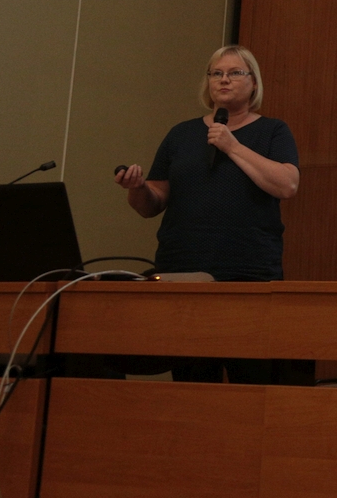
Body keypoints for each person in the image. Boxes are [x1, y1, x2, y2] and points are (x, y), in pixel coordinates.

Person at [115, 45, 299, 382]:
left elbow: (287, 185)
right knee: (193, 386)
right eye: (216, 73)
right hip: (184, 273)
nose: (224, 80)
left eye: (234, 73)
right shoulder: (181, 134)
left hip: (248, 274)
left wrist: (233, 146)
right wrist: (137, 188)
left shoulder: (272, 131)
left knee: (253, 383)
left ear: (253, 82)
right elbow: (152, 204)